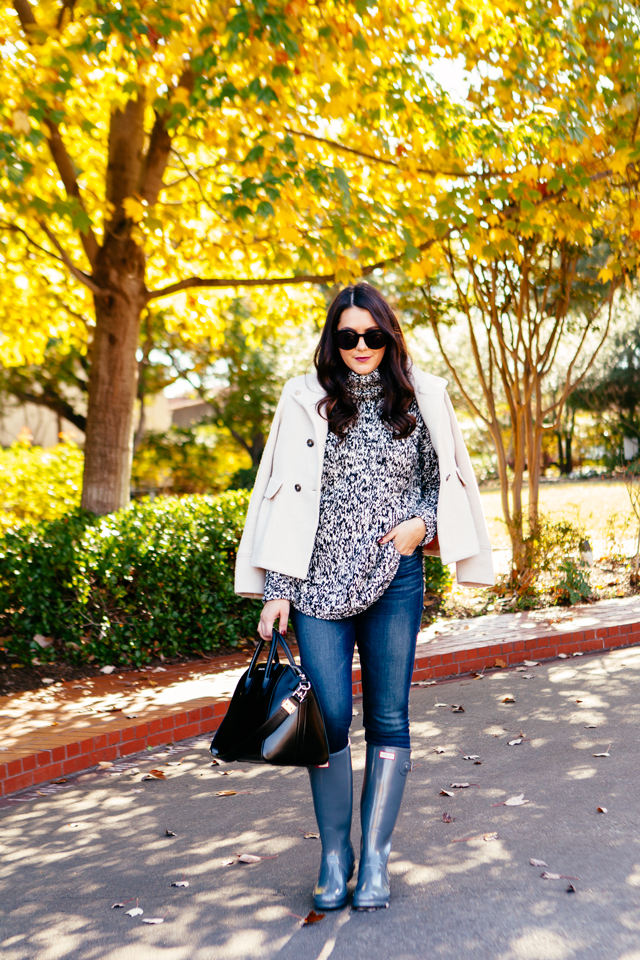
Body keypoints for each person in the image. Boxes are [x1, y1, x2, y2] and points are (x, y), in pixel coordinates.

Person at [235, 283, 493, 911]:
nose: (360, 347)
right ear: (334, 339)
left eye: (372, 335)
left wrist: (421, 528)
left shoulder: (422, 398)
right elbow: (279, 495)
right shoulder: (305, 401)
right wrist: (275, 590)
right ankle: (334, 855)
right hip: (317, 586)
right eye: (347, 336)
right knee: (327, 723)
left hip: (395, 579)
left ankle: (374, 860)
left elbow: (447, 483)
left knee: (389, 718)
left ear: (389, 336)